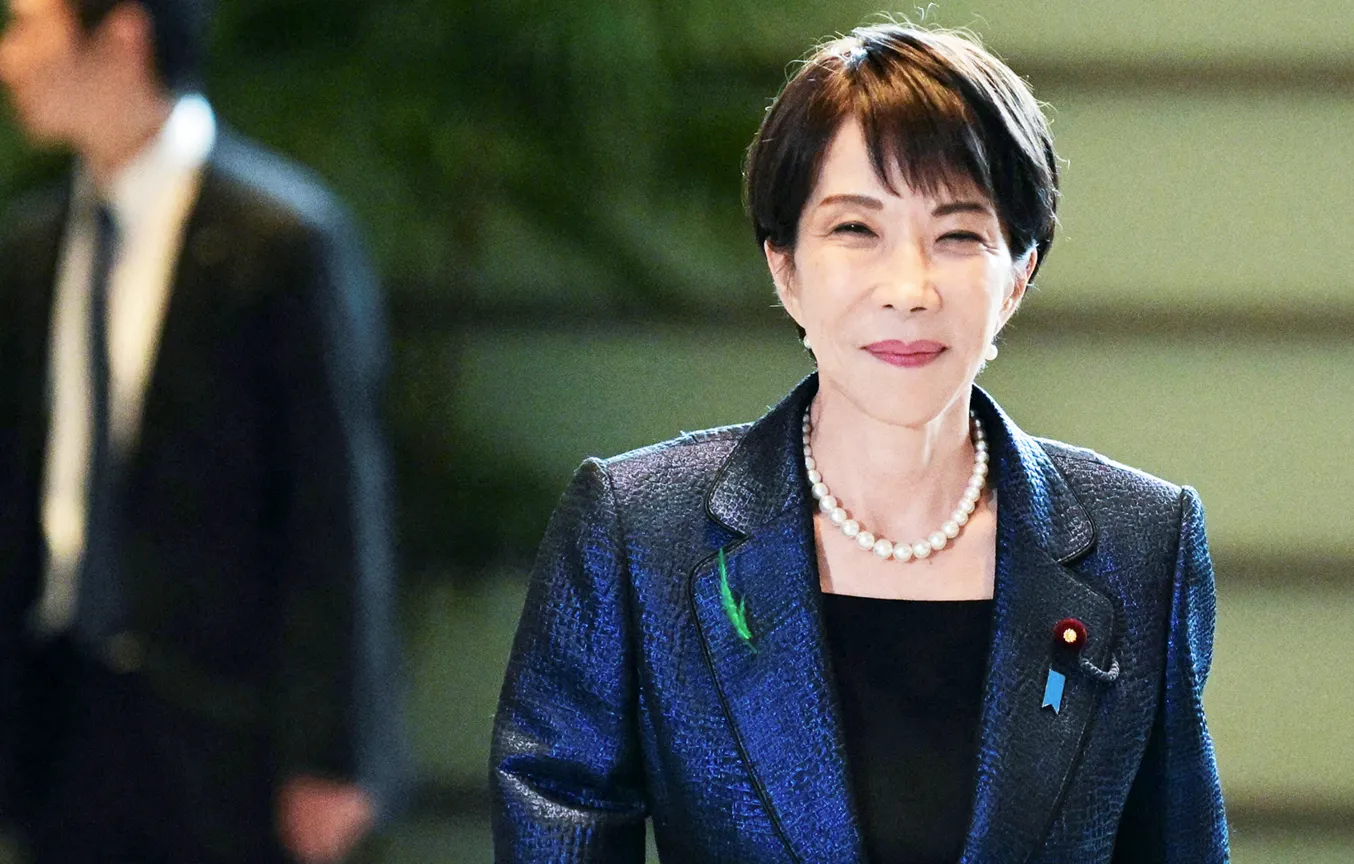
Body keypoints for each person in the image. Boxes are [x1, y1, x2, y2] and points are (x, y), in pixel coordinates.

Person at [490, 22, 1227, 864]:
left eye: (958, 235)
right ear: (785, 266)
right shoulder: (639, 535)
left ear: (1018, 276)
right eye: (855, 229)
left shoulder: (1143, 545)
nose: (908, 289)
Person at [0, 0, 405, 860]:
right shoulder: (33, 250)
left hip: (227, 726)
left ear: (123, 36)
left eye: (26, 26)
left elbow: (336, 508)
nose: (9, 60)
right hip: (62, 718)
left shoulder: (282, 241)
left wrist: (333, 753)